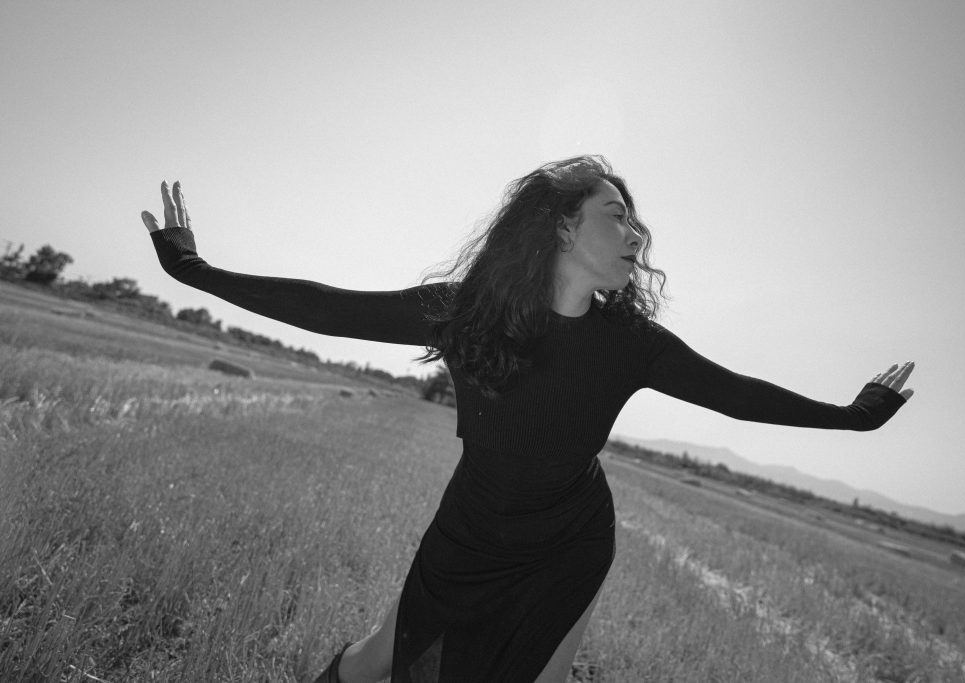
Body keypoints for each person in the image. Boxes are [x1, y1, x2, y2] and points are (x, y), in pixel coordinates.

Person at [141, 156, 913, 683]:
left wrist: (852, 417)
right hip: (473, 530)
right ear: (563, 226)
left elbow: (737, 392)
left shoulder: (632, 344)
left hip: (571, 539)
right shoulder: (466, 313)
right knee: (384, 659)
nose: (636, 235)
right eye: (617, 216)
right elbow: (327, 307)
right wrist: (194, 270)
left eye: (637, 224)